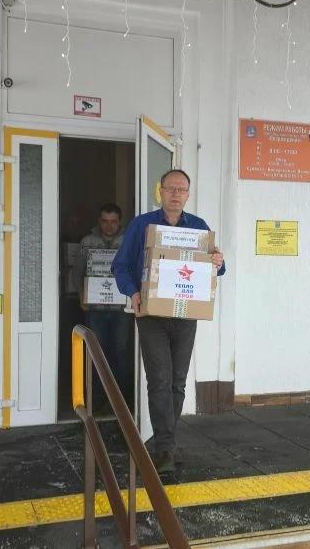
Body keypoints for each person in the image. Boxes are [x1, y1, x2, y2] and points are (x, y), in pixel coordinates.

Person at [111, 169, 226, 472]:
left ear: (188, 194)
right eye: (170, 188)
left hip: (186, 315)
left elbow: (216, 269)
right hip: (151, 315)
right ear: (160, 191)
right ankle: (165, 449)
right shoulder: (142, 225)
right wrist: (133, 292)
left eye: (181, 189)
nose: (176, 194)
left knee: (177, 382)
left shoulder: (199, 227)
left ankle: (166, 443)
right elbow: (120, 266)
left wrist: (218, 260)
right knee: (160, 380)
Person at [73, 204, 132, 409]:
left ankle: (121, 400)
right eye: (105, 221)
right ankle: (97, 398)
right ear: (99, 221)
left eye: (113, 221)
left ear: (120, 222)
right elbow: (78, 273)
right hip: (95, 308)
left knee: (121, 352)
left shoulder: (128, 241)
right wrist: (81, 297)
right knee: (96, 352)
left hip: (122, 309)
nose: (109, 226)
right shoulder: (87, 242)